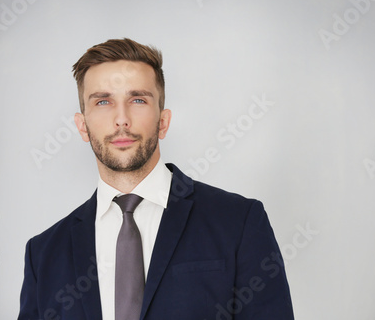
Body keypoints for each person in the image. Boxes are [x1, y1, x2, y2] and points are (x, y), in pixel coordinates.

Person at [18, 38, 294, 320]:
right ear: (82, 126)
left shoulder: (239, 222)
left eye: (137, 99)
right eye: (103, 101)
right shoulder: (43, 255)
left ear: (163, 121)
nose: (121, 119)